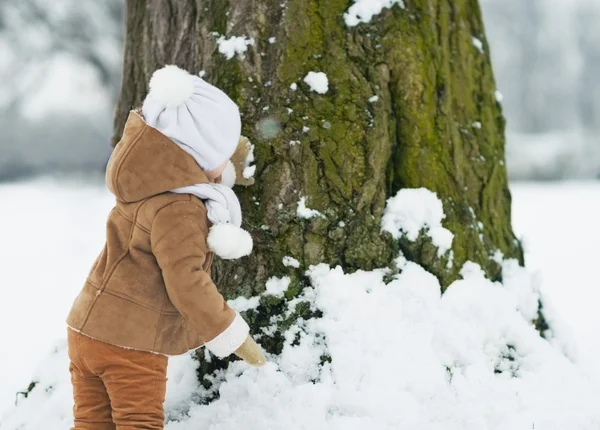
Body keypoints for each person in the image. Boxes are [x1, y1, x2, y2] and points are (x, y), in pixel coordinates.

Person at [65, 65, 265, 429]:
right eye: (221, 149)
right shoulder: (181, 209)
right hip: (129, 341)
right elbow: (186, 282)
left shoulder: (144, 182)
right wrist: (233, 334)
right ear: (200, 153)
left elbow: (204, 175)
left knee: (92, 422)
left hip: (84, 329)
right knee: (138, 422)